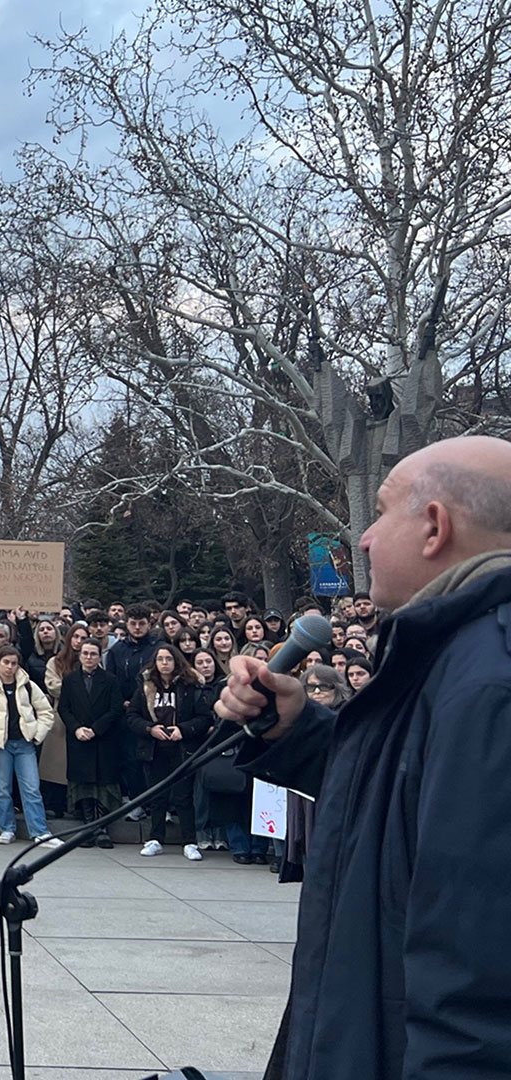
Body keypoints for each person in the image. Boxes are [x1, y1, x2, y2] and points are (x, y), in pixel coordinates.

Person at [212, 436, 511, 1079]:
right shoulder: (448, 654)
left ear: (435, 526)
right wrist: (293, 726)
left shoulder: (491, 683)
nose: (365, 539)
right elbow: (399, 804)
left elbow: (479, 984)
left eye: (380, 513)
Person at [126, 643, 209, 859]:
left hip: (182, 748)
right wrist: (149, 729)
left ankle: (190, 842)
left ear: (176, 661)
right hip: (154, 749)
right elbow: (132, 716)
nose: (164, 663)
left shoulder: (190, 685)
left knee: (183, 797)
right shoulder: (145, 686)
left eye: (168, 659)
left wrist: (184, 729)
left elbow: (204, 718)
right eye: (160, 659)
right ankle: (155, 839)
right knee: (156, 795)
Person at [0, 646, 58, 845]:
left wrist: (38, 734)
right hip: (0, 746)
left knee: (32, 789)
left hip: (25, 744)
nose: (10, 667)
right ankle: (6, 828)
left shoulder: (28, 685)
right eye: (6, 662)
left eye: (14, 663)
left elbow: (46, 711)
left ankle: (39, 831)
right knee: (2, 790)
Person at [57, 640, 124, 848]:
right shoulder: (70, 680)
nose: (88, 657)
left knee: (102, 785)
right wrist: (77, 728)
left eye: (93, 654)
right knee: (83, 785)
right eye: (85, 653)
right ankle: (87, 827)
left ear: (99, 656)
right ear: (80, 655)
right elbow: (64, 709)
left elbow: (115, 709)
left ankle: (101, 828)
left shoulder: (111, 680)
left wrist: (96, 729)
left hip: (103, 738)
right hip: (79, 739)